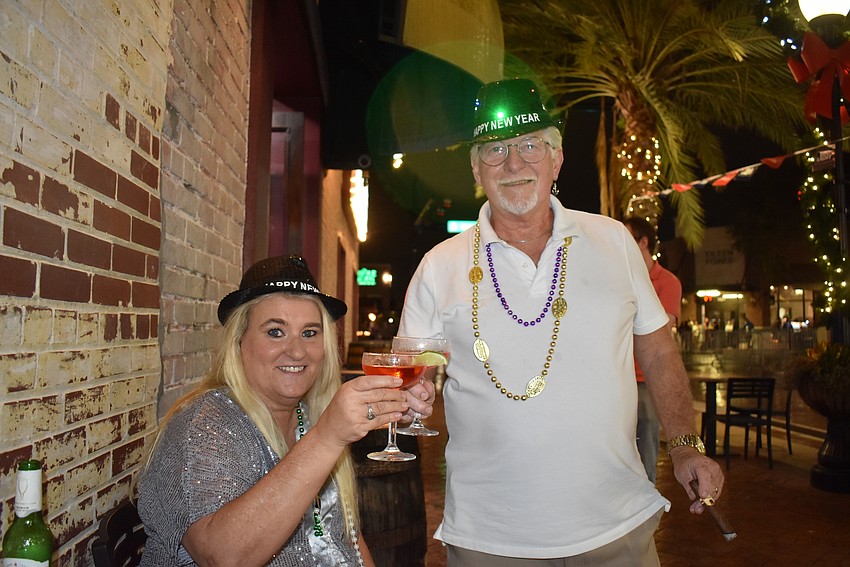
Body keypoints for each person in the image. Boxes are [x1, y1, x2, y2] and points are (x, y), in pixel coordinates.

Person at [398, 78, 724, 566]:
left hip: (616, 526)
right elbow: (410, 375)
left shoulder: (614, 242)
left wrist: (683, 446)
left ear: (557, 158)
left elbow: (657, 351)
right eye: (495, 150)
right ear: (474, 168)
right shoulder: (438, 266)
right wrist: (407, 404)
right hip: (490, 536)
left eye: (530, 146)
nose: (513, 164)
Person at [137, 255, 433, 566]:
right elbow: (222, 557)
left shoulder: (307, 414)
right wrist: (327, 437)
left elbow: (345, 540)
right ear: (239, 341)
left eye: (309, 333)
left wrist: (393, 407)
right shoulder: (204, 423)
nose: (296, 351)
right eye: (275, 332)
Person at [623, 216, 683, 484]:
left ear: (643, 242)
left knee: (646, 449)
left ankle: (646, 511)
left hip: (646, 379)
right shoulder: (620, 277)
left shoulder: (667, 281)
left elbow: (659, 331)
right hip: (619, 378)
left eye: (626, 239)